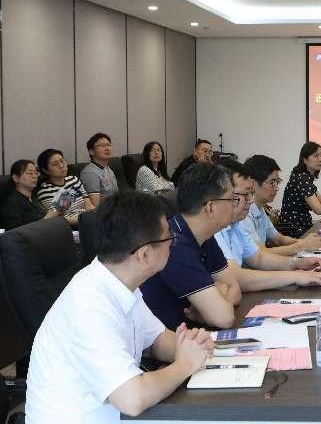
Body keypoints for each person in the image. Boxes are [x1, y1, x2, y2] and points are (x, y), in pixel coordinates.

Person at [25, 191, 213, 422]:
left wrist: (192, 346)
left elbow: (157, 339)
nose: (173, 242)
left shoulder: (119, 280)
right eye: (169, 237)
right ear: (144, 255)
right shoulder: (88, 306)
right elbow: (132, 399)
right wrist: (185, 364)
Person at [141, 163, 241, 330]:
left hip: (193, 333)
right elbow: (224, 318)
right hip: (169, 341)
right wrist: (218, 298)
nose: (235, 204)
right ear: (210, 207)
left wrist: (217, 301)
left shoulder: (205, 235)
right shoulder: (174, 244)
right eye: (232, 199)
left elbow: (234, 288)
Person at [213, 158, 321, 291]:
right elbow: (236, 277)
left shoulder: (235, 224)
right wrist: (296, 275)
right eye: (245, 194)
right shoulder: (215, 231)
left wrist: (297, 263)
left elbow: (258, 258)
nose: (250, 200)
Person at [242, 154, 321, 255]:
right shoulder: (244, 214)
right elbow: (261, 254)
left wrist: (303, 242)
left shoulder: (260, 209)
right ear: (252, 184)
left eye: (277, 182)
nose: (277, 188)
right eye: (272, 183)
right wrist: (302, 245)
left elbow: (278, 239)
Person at [34, 148, 95, 226]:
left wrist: (96, 216)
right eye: (55, 164)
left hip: (88, 220)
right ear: (46, 170)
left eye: (62, 161)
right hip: (72, 226)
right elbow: (59, 217)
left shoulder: (74, 180)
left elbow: (88, 205)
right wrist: (85, 219)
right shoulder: (45, 191)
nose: (61, 166)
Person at [0, 159, 60, 229]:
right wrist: (47, 218)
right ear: (16, 178)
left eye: (36, 173)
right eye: (30, 173)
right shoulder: (12, 203)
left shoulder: (34, 197)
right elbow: (15, 232)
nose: (35, 176)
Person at [79, 132, 120, 206]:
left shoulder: (108, 169)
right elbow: (95, 206)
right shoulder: (90, 173)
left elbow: (117, 195)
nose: (107, 148)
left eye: (108, 145)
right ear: (91, 151)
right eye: (102, 146)